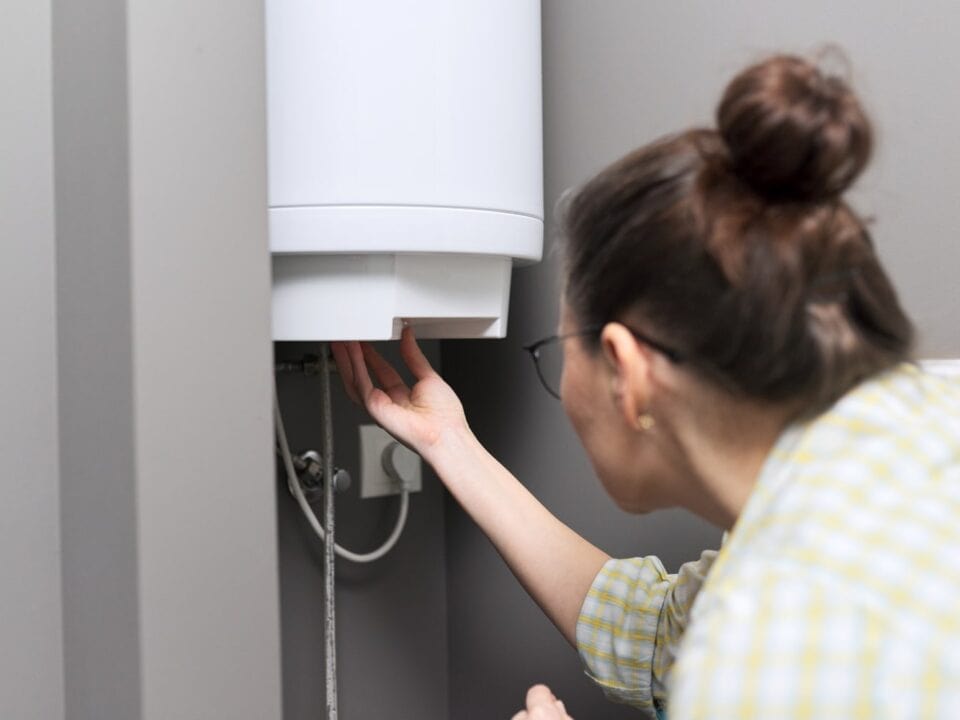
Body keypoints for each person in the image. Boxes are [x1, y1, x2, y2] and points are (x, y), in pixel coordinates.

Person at [332, 53, 960, 719]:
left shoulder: (767, 651)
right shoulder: (919, 417)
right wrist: (450, 442)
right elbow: (663, 632)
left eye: (558, 348)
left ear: (626, 373)